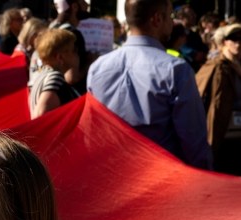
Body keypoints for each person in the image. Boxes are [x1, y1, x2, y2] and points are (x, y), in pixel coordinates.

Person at [88, 0, 212, 170]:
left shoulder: (98, 67)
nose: (172, 22)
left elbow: (94, 130)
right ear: (157, 19)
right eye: (170, 16)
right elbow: (193, 140)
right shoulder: (175, 69)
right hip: (161, 180)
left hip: (113, 175)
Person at [195, 24, 241, 177]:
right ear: (223, 41)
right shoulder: (216, 67)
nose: (238, 43)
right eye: (233, 38)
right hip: (220, 137)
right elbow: (201, 100)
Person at [29, 29, 80, 119]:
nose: (77, 54)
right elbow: (40, 114)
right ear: (59, 57)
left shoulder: (43, 75)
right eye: (73, 50)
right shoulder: (55, 77)